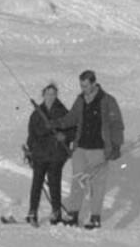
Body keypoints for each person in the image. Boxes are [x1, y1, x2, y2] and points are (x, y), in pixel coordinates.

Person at [67, 69, 126, 227]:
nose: (83, 89)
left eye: (86, 86)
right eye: (81, 86)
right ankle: (73, 214)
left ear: (94, 83)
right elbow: (71, 118)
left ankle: (95, 217)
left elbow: (117, 125)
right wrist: (55, 123)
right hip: (80, 148)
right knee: (77, 181)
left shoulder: (107, 101)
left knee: (97, 185)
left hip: (99, 149)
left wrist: (116, 146)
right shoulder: (80, 100)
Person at [23, 82, 77, 225]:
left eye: (53, 94)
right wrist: (31, 151)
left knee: (54, 183)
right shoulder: (36, 114)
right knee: (37, 183)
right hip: (40, 154)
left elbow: (73, 130)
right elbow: (32, 135)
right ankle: (32, 211)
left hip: (56, 155)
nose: (50, 97)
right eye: (48, 94)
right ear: (43, 95)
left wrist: (65, 137)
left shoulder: (64, 112)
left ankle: (56, 212)